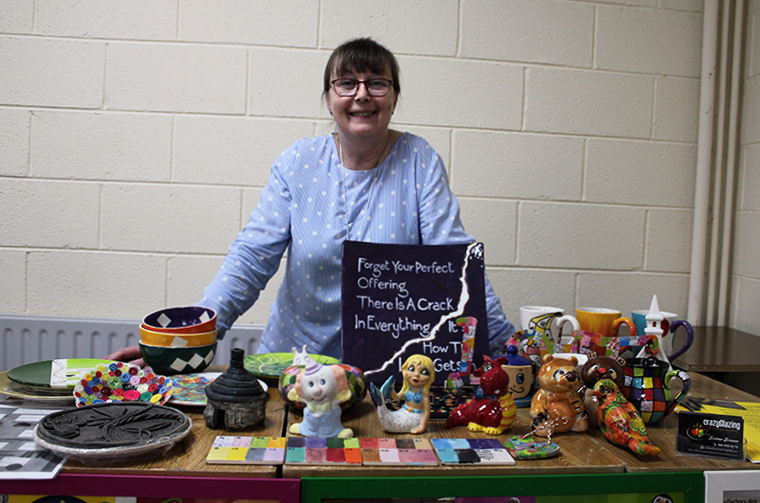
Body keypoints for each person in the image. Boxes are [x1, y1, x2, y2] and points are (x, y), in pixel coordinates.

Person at [108, 37, 514, 366]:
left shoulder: (420, 160)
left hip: (386, 370)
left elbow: (455, 257)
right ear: (328, 97)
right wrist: (185, 339)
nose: (362, 95)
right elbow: (250, 259)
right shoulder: (298, 162)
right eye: (346, 83)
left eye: (377, 83)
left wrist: (511, 347)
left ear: (393, 97)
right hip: (294, 364)